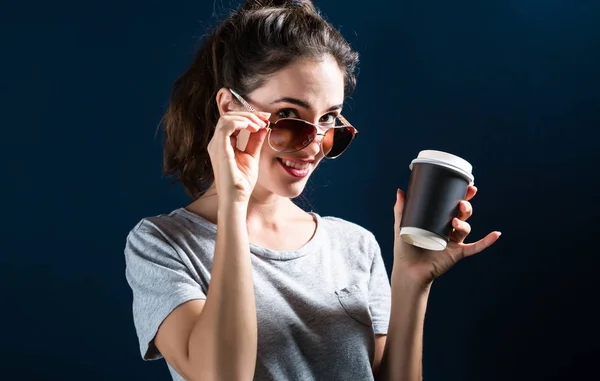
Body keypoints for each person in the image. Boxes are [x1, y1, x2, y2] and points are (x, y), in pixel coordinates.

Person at [123, 0, 501, 380]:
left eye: (329, 120)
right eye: (289, 117)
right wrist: (234, 203)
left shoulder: (355, 246)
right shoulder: (162, 245)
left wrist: (412, 280)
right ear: (229, 108)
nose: (314, 144)